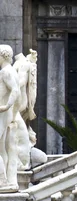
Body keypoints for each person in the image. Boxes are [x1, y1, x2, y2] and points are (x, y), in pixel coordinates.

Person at [0, 45, 25, 190]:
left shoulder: (5, 72)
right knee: (3, 147)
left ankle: (4, 180)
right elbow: (19, 96)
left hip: (2, 112)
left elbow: (15, 91)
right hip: (6, 113)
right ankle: (8, 180)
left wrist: (6, 107)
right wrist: (14, 112)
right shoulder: (12, 71)